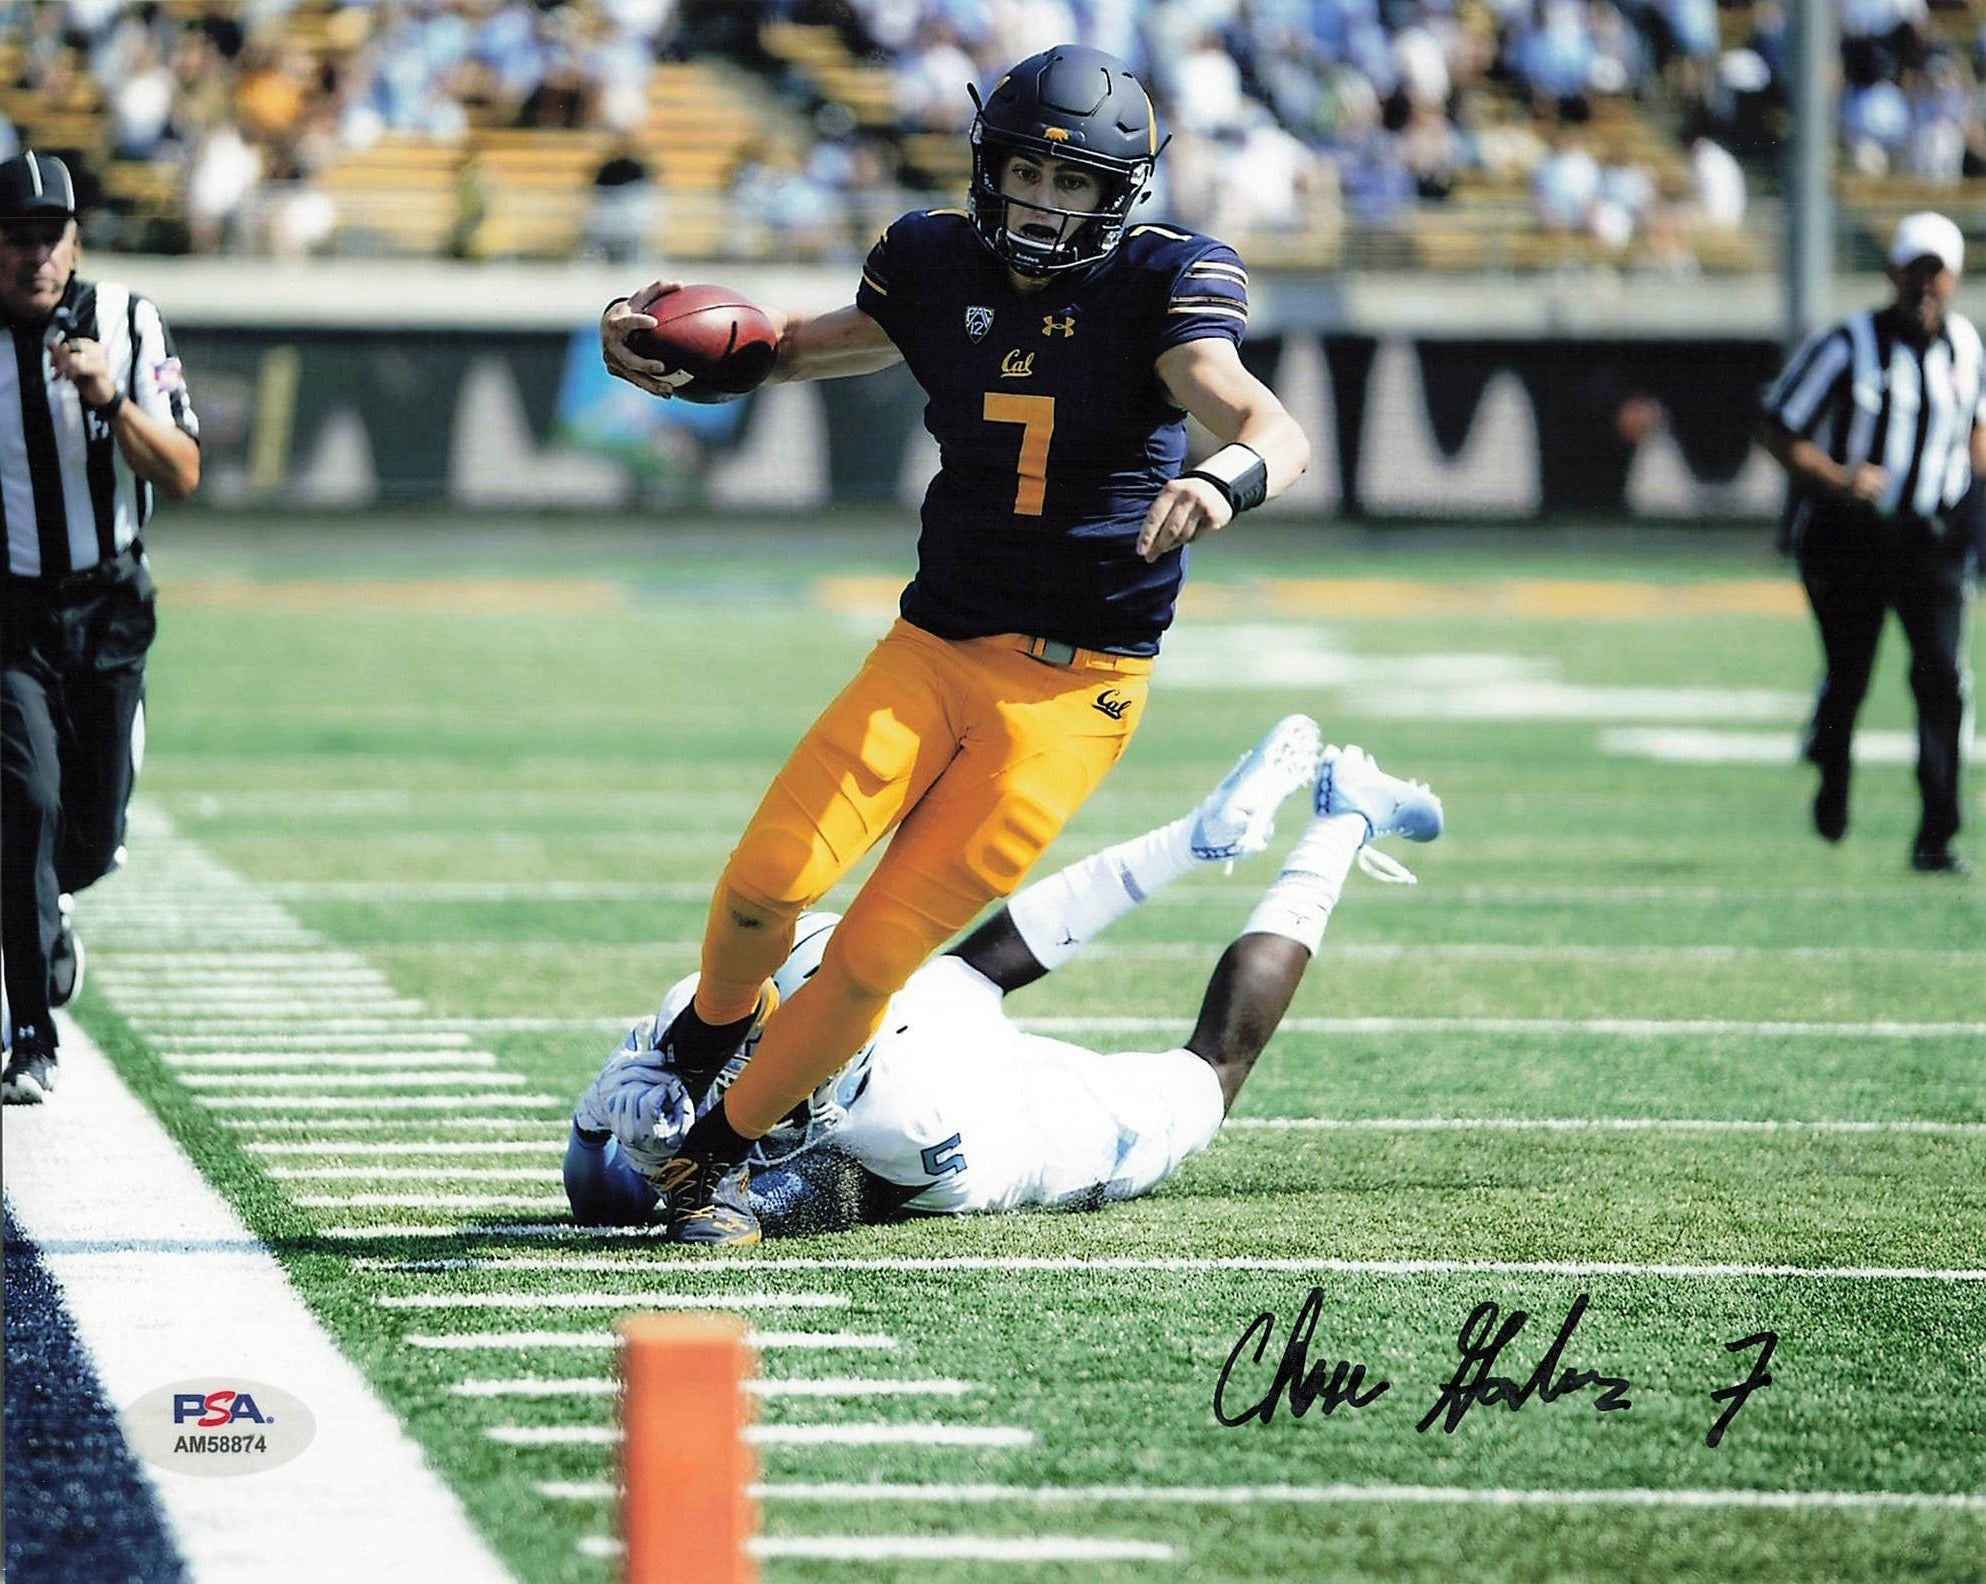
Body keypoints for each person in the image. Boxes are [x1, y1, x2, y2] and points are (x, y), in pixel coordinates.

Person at [597, 45, 1313, 1244]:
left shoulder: (1165, 284)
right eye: (1027, 171)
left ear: (1119, 194)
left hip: (1077, 692)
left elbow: (1268, 422)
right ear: (989, 167)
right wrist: (666, 339)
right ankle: (702, 1039)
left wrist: (1223, 481)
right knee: (768, 881)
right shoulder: (933, 261)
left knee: (872, 956)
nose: (1043, 200)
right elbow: (792, 345)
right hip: (933, 648)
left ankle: (717, 1159)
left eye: (1072, 182)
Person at [563, 718, 1443, 1235]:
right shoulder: (798, 1027)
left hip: (1012, 1125)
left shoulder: (897, 1121)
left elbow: (739, 1210)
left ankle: (1343, 820)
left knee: (1213, 1071)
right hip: (913, 1018)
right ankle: (1195, 838)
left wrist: (622, 1153)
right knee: (975, 969)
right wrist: (606, 1122)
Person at [1, 151, 201, 1103]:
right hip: (11, 615)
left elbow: (183, 471)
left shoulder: (127, 320)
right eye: (16, 238)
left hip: (111, 605)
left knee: (89, 835)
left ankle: (53, 909)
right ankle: (30, 1036)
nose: (35, 256)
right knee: (25, 804)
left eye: (51, 237)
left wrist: (108, 397)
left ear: (76, 244)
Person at [1760, 209, 1985, 876]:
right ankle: (1832, 773)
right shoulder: (1845, 344)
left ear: (1955, 277)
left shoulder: (1968, 347)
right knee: (1850, 675)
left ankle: (1937, 834)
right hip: (1851, 536)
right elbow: (1778, 428)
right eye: (1916, 271)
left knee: (1942, 678)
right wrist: (1839, 478)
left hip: (1933, 538)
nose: (1926, 285)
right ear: (1892, 273)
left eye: (1937, 272)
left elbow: (1976, 431)